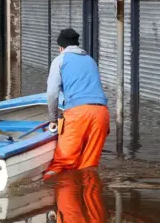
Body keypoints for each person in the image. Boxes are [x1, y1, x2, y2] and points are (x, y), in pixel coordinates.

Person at [43, 28, 110, 180]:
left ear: (61, 47)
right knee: (89, 166)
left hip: (78, 113)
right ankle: (90, 198)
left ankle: (47, 192)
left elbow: (52, 93)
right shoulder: (90, 60)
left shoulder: (60, 60)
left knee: (62, 163)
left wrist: (53, 120)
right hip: (102, 114)